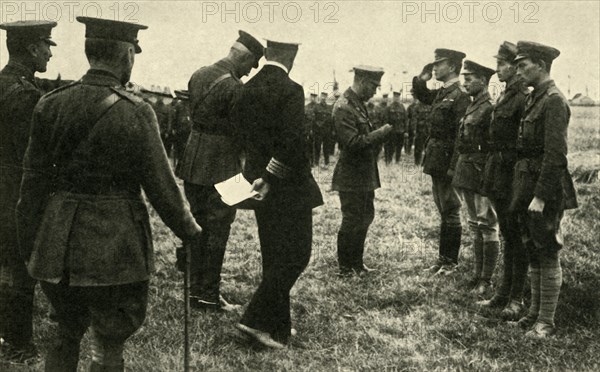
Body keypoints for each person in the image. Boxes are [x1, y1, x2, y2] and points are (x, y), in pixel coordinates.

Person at [16, 17, 202, 371]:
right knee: (109, 337)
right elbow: (162, 188)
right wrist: (190, 231)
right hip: (115, 249)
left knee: (64, 331)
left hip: (58, 245)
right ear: (127, 55)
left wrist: (31, 245)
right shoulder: (137, 111)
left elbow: (32, 186)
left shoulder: (50, 104)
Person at [233, 39, 323, 348]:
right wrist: (272, 176)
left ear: (268, 54)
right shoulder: (290, 89)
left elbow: (244, 138)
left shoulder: (247, 87)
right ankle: (254, 321)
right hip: (288, 187)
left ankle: (278, 325)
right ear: (292, 57)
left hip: (257, 186)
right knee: (297, 255)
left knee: (274, 256)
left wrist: (258, 176)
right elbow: (292, 142)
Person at [175, 30, 263, 311]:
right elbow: (242, 133)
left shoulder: (199, 74)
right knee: (218, 230)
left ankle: (193, 291)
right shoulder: (236, 88)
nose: (250, 72)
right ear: (245, 58)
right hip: (222, 165)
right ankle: (208, 295)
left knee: (196, 226)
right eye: (251, 65)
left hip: (192, 161)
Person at [510, 41, 577, 338]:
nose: (518, 71)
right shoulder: (534, 98)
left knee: (547, 250)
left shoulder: (553, 100)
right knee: (533, 248)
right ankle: (534, 314)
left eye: (523, 66)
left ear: (541, 65)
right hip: (528, 182)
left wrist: (540, 196)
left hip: (544, 188)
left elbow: (555, 156)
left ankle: (546, 322)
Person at [0, 20, 56, 364]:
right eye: (47, 45)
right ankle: (20, 344)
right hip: (14, 192)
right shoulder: (26, 96)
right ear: (33, 48)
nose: (50, 52)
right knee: (19, 269)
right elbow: (36, 155)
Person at [477, 42, 529, 320]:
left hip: (512, 175)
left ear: (515, 67)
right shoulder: (507, 94)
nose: (497, 69)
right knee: (508, 235)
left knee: (516, 238)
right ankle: (503, 293)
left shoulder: (522, 96)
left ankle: (516, 298)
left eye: (502, 64)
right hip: (499, 173)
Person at [412, 49, 470, 275]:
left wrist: (454, 167)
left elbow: (461, 135)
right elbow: (422, 95)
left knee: (451, 210)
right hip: (437, 160)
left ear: (453, 67)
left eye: (439, 64)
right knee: (444, 210)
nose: (434, 67)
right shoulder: (443, 92)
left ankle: (450, 263)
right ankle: (443, 260)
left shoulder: (460, 95)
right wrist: (421, 78)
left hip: (447, 163)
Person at [332, 66, 393, 276]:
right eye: (374, 86)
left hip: (363, 173)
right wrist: (382, 132)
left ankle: (357, 263)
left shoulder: (358, 105)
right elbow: (352, 143)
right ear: (362, 81)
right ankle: (345, 267)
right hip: (351, 175)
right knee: (351, 219)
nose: (375, 92)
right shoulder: (343, 107)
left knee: (365, 216)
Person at [450, 60, 499, 295]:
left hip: (482, 174)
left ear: (483, 80)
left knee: (487, 224)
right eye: (464, 77)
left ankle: (486, 279)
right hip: (468, 172)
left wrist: (488, 177)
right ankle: (477, 274)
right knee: (474, 224)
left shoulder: (489, 107)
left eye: (469, 78)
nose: (465, 82)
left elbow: (492, 147)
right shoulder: (473, 106)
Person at [384, 91, 408, 164]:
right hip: (392, 131)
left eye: (398, 97)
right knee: (390, 147)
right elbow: (386, 119)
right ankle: (389, 161)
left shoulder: (402, 107)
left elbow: (405, 120)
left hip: (400, 131)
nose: (396, 98)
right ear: (393, 97)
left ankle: (397, 160)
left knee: (399, 147)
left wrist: (406, 131)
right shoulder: (389, 107)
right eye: (395, 97)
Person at [170, 89, 192, 167]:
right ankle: (180, 165)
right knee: (180, 148)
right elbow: (174, 118)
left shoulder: (190, 106)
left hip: (187, 131)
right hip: (180, 130)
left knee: (184, 149)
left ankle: (182, 165)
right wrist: (173, 128)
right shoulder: (179, 105)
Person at [407, 95, 431, 166]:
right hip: (419, 131)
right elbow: (414, 120)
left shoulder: (430, 106)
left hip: (428, 131)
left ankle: (425, 164)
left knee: (428, 148)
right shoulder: (417, 107)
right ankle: (417, 163)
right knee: (418, 148)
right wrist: (414, 129)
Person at [304, 93, 318, 166]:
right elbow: (305, 120)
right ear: (310, 97)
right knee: (309, 146)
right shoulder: (306, 107)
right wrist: (307, 131)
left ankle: (316, 161)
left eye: (315, 97)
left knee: (317, 146)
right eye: (312, 97)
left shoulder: (319, 107)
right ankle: (310, 162)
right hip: (309, 131)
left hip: (318, 130)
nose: (313, 98)